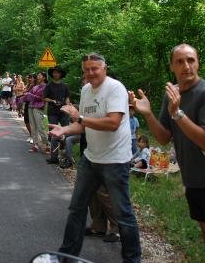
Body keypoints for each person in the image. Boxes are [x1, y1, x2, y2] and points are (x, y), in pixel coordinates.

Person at [129, 44, 205, 263]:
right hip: (193, 178)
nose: (186, 66)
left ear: (198, 63)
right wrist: (148, 114)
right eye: (180, 61)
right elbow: (163, 137)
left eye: (191, 60)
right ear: (172, 66)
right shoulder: (172, 95)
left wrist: (178, 113)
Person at [49, 53, 141, 263]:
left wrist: (80, 118)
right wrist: (64, 130)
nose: (90, 73)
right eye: (86, 70)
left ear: (104, 68)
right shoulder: (86, 90)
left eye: (94, 69)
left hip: (115, 161)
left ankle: (133, 260)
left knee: (123, 214)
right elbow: (82, 125)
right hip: (91, 158)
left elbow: (113, 123)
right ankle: (66, 257)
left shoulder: (115, 88)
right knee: (76, 209)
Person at [44, 66, 71, 165]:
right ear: (52, 74)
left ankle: (67, 157)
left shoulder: (65, 86)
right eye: (54, 72)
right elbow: (44, 98)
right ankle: (54, 157)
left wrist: (68, 108)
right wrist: (52, 101)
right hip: (52, 112)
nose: (56, 74)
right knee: (54, 133)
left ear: (60, 74)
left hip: (63, 112)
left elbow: (67, 98)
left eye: (58, 72)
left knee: (66, 133)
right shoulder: (48, 86)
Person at [19, 72, 47, 153]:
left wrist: (29, 95)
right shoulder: (35, 87)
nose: (38, 77)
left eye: (39, 75)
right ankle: (35, 145)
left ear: (44, 78)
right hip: (30, 107)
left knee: (40, 127)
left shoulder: (46, 87)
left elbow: (42, 98)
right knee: (33, 127)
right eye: (37, 75)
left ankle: (46, 144)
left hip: (38, 108)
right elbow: (27, 95)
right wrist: (20, 99)